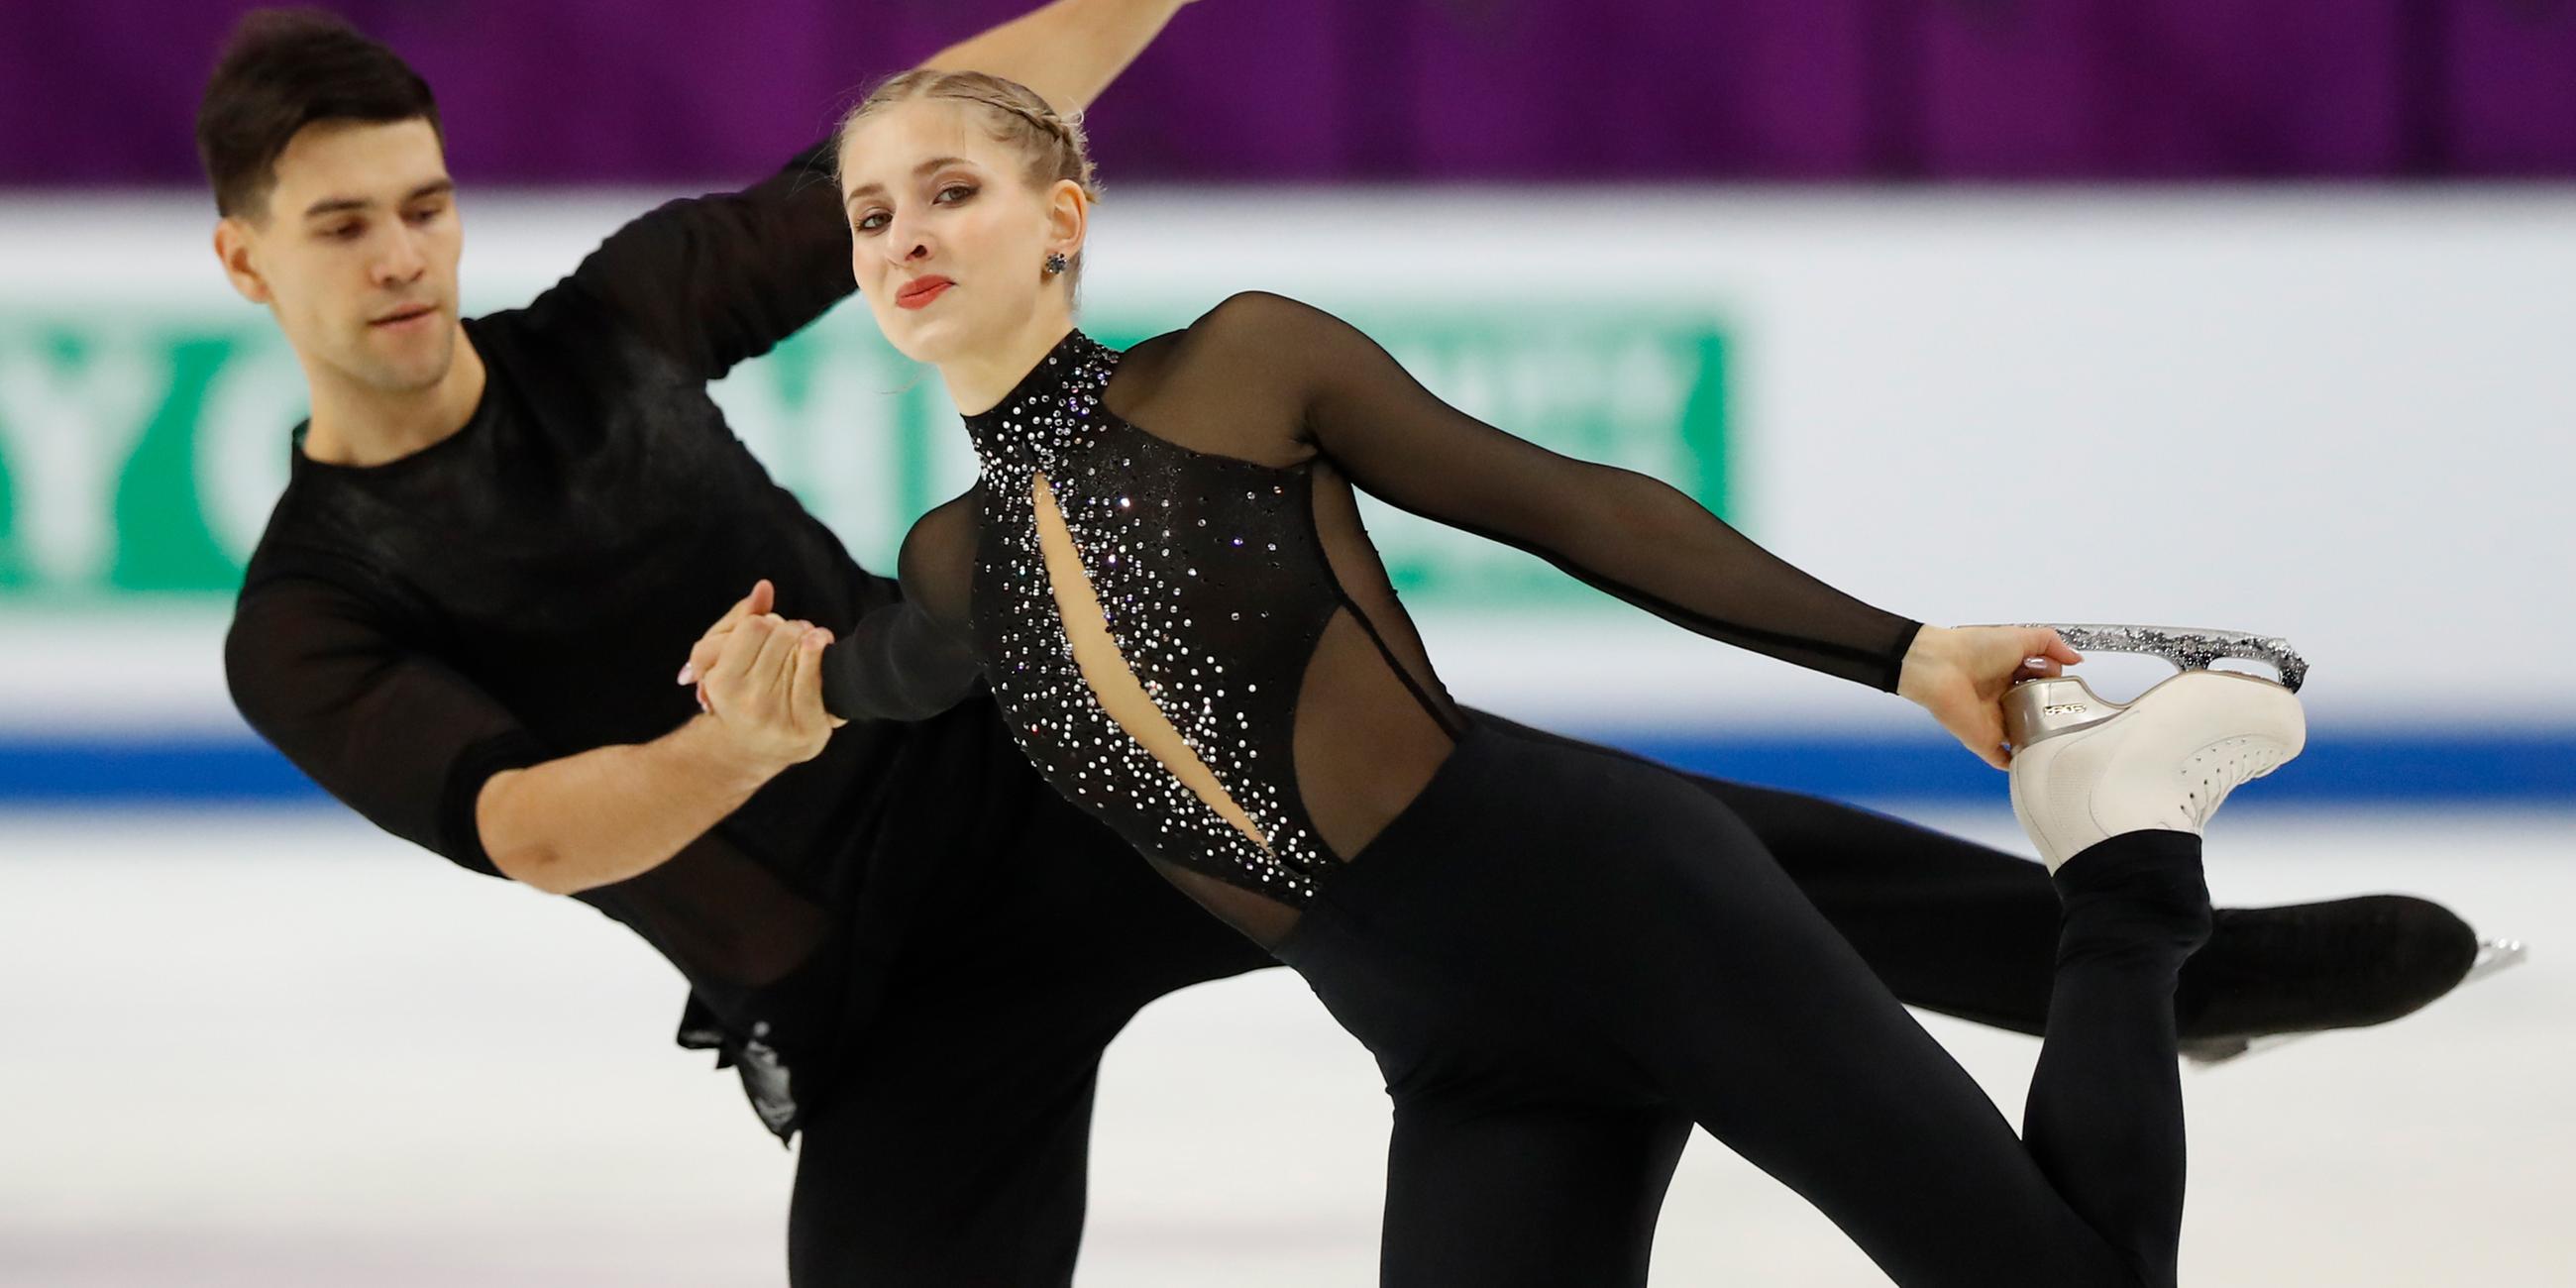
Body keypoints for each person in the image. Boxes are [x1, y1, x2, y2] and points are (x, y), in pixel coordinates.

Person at [201, 10, 2470, 1285]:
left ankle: (2140, 906)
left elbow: (1565, 504)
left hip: (1252, 824)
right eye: (341, 225)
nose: (402, 255)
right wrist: (759, 725)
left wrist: (1901, 651)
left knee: (1595, 827)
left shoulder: (1165, 360)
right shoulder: (336, 610)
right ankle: (2118, 907)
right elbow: (556, 807)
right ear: (244, 262)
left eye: (422, 200)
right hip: (935, 981)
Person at [792, 68, 2383, 1285]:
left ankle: (2122, 878)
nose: (907, 237)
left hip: (1615, 903)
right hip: (1449, 1042)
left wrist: (1905, 654)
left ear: (1063, 216)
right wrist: (785, 688)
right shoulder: (957, 562)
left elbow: (1575, 508)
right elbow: (893, 673)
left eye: (951, 192)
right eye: (873, 216)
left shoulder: (1241, 367)